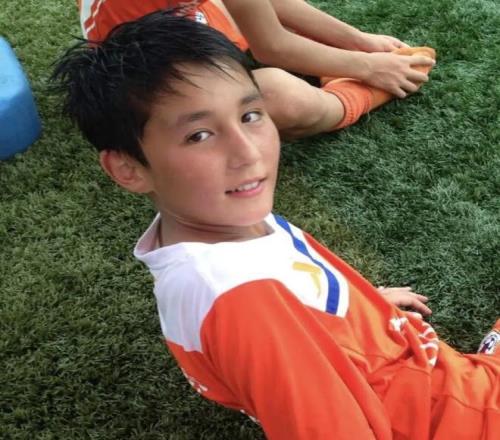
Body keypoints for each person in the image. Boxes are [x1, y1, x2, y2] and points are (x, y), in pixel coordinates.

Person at [52, 11, 499, 439]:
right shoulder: (244, 302)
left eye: (250, 116)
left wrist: (359, 313)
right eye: (199, 135)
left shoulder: (213, 226)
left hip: (437, 382)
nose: (248, 153)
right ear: (127, 168)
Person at [76, 0, 436, 139]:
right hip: (142, 72)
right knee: (279, 97)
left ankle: (339, 61)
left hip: (179, 25)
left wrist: (357, 41)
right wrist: (370, 68)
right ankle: (348, 98)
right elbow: (272, 46)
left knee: (238, 20)